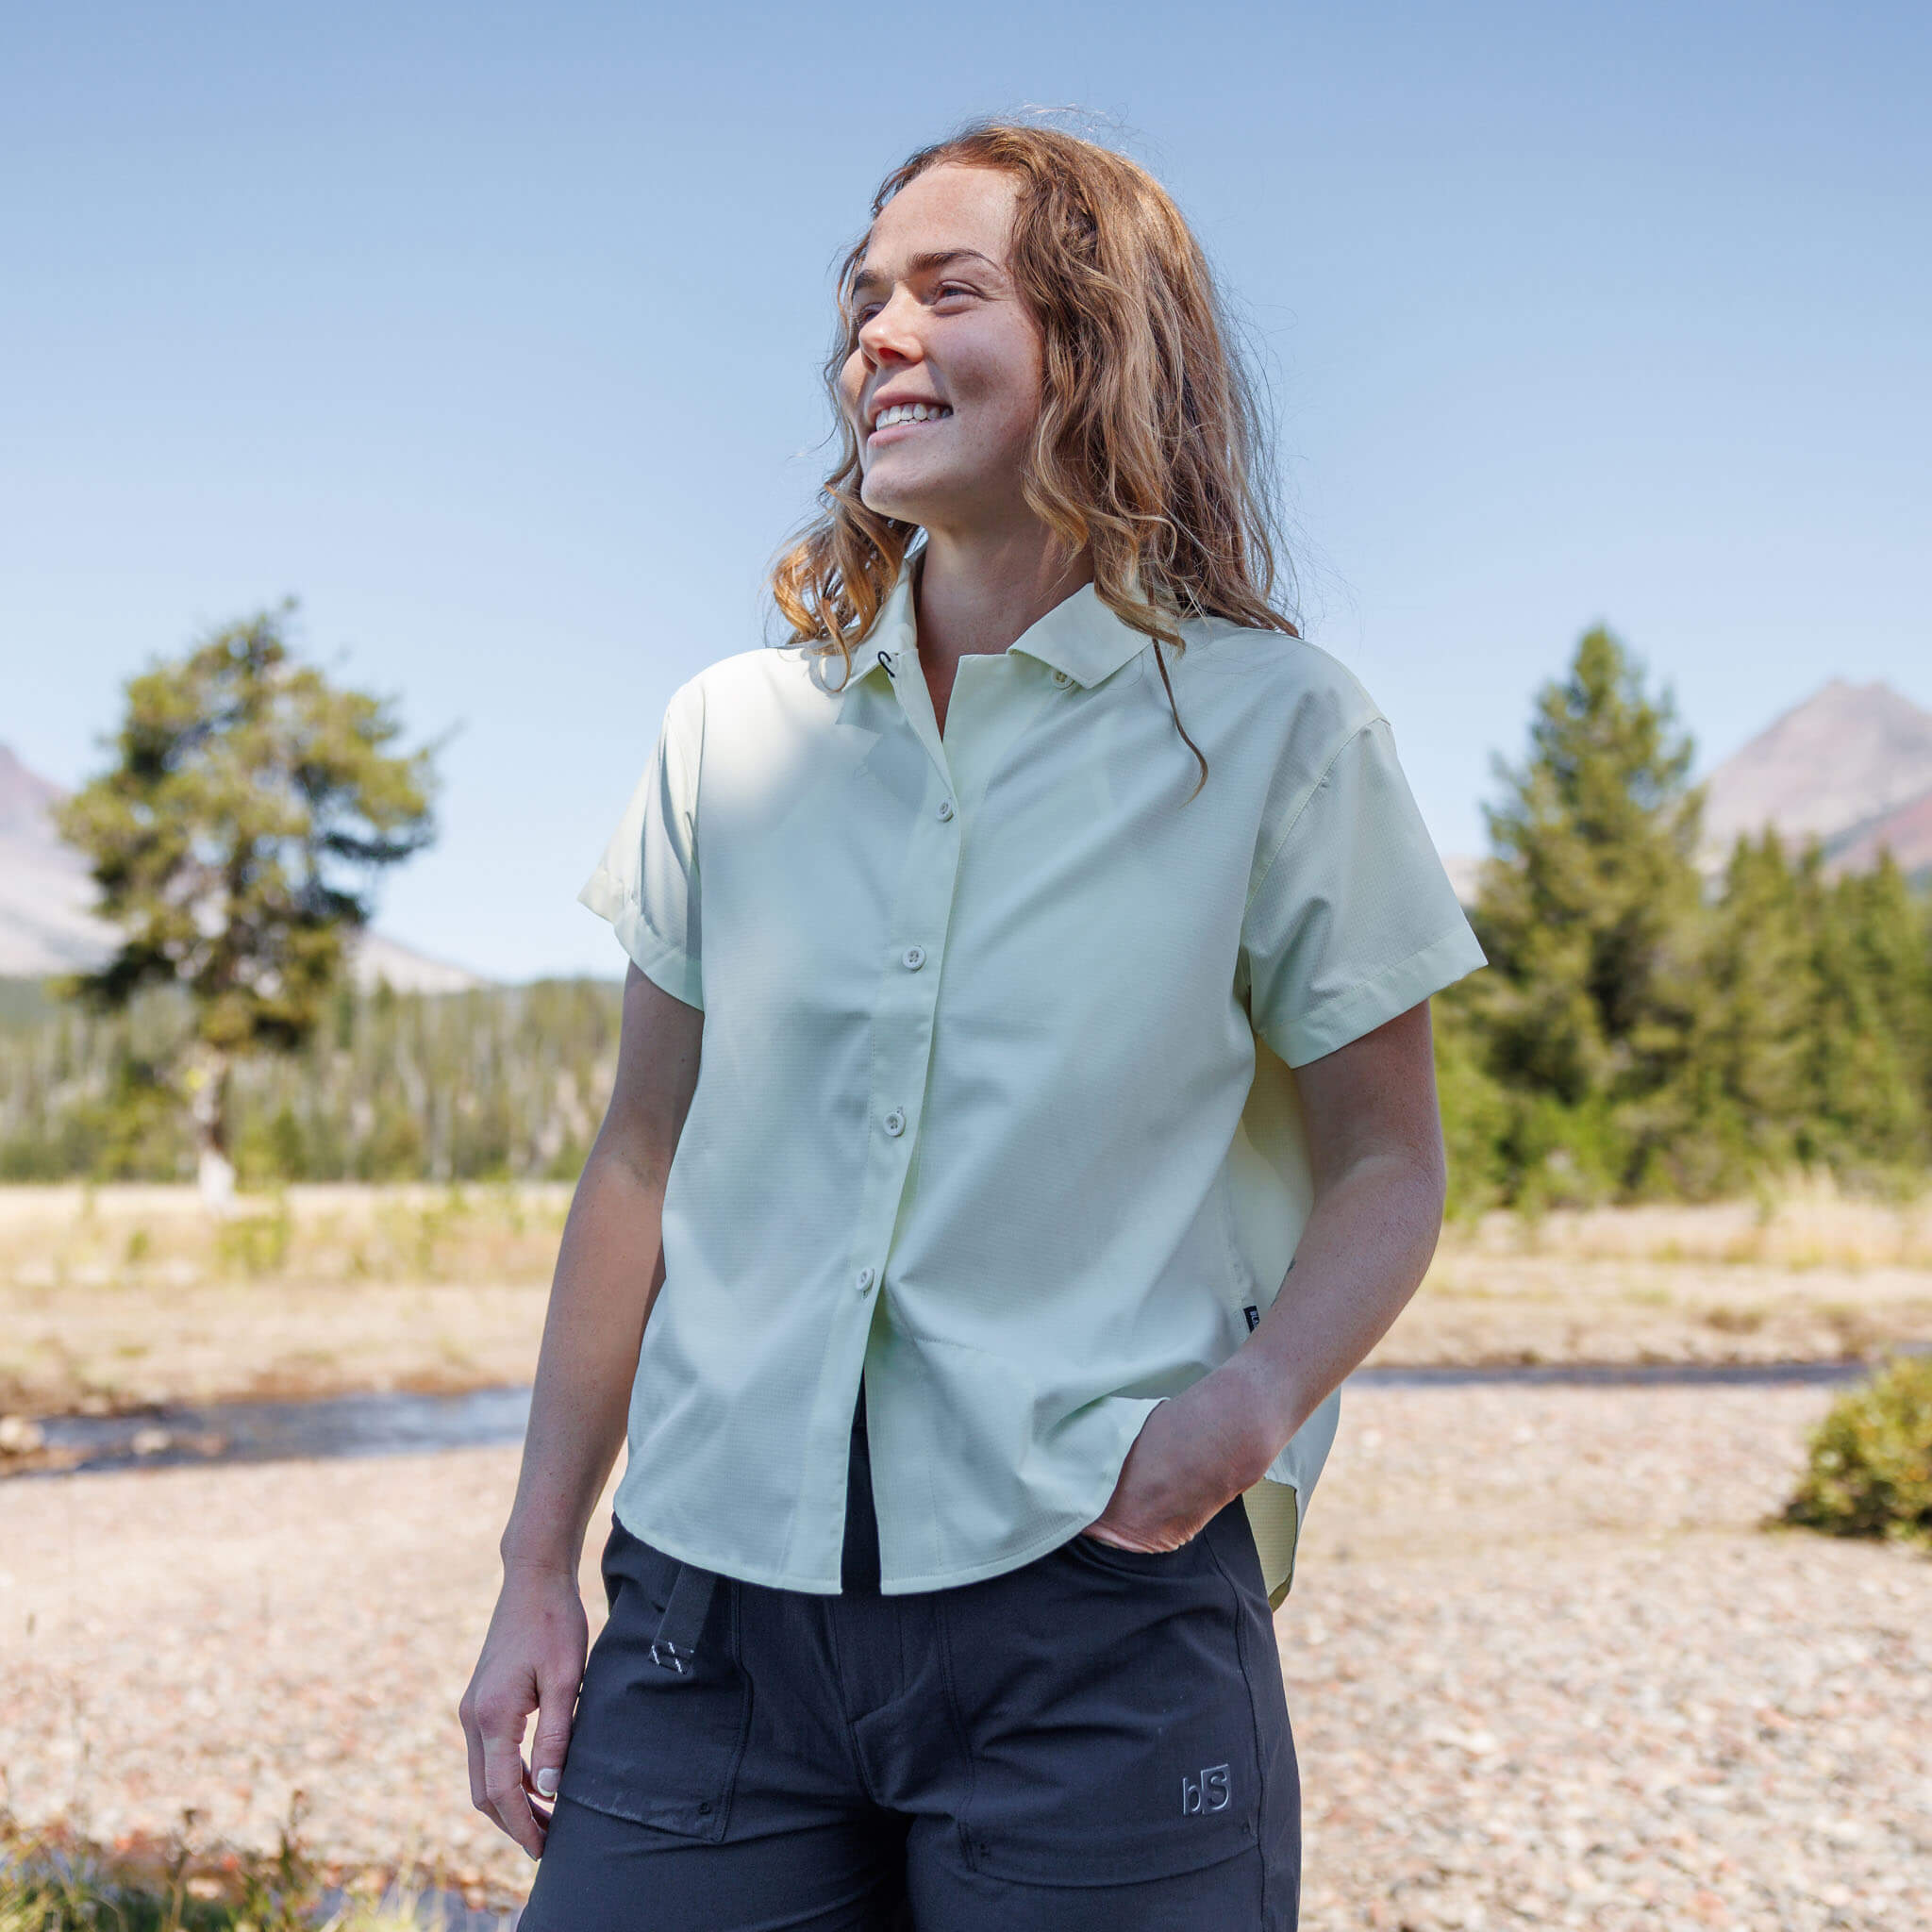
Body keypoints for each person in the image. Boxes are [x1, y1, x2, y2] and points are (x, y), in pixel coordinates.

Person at [459, 120, 1484, 1932]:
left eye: (951, 291)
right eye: (865, 299)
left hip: (1095, 1616)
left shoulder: (1276, 735)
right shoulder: (728, 733)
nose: (880, 335)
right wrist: (540, 1566)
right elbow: (640, 1157)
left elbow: (1390, 1165)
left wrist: (1250, 1409)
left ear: (1096, 347)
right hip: (706, 1617)